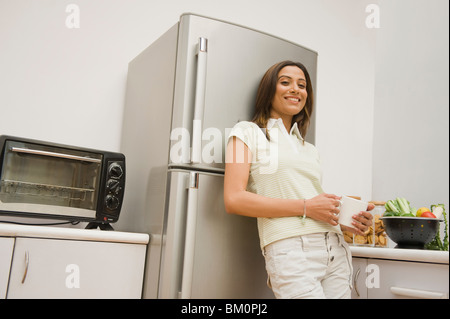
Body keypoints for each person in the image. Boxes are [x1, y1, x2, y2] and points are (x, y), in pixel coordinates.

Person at [224, 60, 374, 299]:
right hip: (291, 251)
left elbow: (310, 205)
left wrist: (345, 221)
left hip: (334, 248)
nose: (295, 89)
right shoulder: (245, 132)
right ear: (269, 90)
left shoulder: (308, 148)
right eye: (285, 82)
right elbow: (233, 199)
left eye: (302, 85)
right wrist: (307, 207)